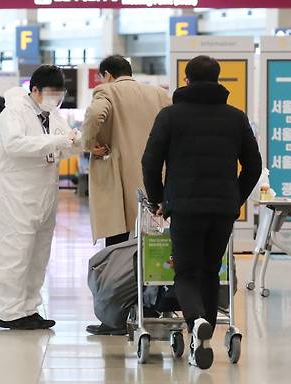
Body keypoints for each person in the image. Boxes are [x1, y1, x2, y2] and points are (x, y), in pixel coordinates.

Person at [142, 56, 261, 369]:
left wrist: (158, 200)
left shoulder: (170, 116)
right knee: (210, 271)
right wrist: (235, 197)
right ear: (218, 79)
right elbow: (254, 165)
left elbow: (150, 162)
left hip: (183, 206)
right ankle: (200, 341)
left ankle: (196, 324)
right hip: (222, 208)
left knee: (185, 271)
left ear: (186, 79)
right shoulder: (235, 117)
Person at [82, 55, 171, 337]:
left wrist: (89, 144)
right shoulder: (159, 94)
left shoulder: (107, 92)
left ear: (107, 74)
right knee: (154, 245)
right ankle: (153, 308)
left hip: (121, 184)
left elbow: (96, 116)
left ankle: (115, 318)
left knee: (119, 250)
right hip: (157, 182)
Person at [0, 65, 80, 330]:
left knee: (38, 255)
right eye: (52, 93)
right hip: (16, 193)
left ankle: (29, 308)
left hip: (44, 192)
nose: (56, 99)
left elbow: (64, 145)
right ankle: (9, 312)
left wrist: (81, 143)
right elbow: (15, 145)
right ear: (35, 90)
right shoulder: (12, 114)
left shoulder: (53, 116)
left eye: (60, 94)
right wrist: (57, 142)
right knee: (15, 253)